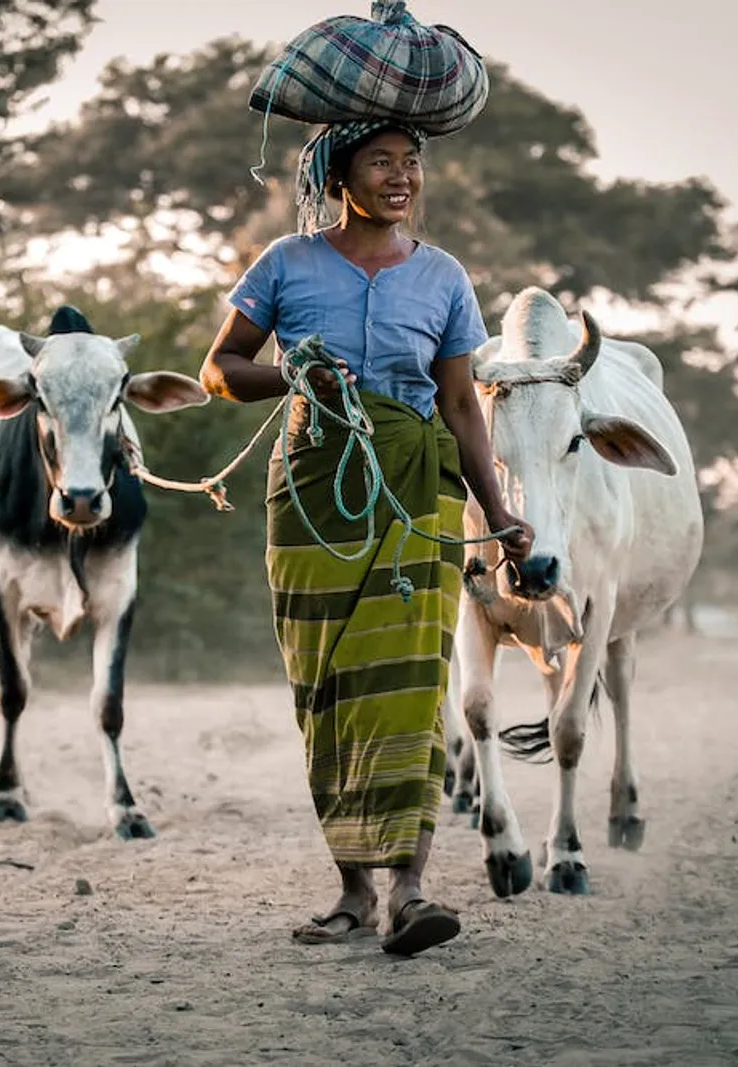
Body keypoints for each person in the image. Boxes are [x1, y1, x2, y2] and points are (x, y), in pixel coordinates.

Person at [198, 119, 534, 957]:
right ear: (335, 173)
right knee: (329, 693)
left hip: (417, 496)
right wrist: (292, 373)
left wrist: (497, 514)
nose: (401, 176)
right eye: (380, 161)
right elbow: (219, 370)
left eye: (410, 163)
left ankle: (409, 892)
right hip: (314, 497)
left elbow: (460, 406)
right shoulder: (285, 264)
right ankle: (351, 890)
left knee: (411, 687)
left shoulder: (444, 277)